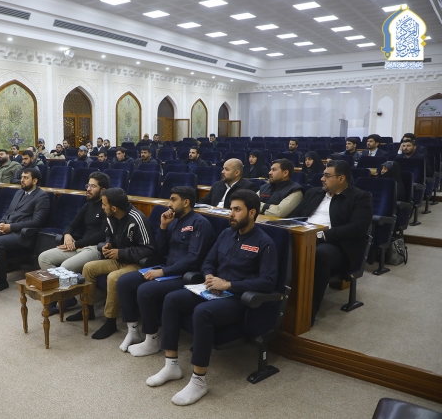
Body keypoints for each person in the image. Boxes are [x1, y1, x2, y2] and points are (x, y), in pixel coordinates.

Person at [145, 189, 277, 406]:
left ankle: (198, 381)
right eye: (231, 209)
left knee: (202, 312)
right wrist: (208, 275)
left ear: (252, 212)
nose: (231, 214)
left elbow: (268, 281)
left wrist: (229, 284)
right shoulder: (226, 234)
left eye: (237, 210)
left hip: (238, 298)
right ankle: (171, 365)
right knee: (172, 299)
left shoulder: (265, 243)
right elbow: (208, 261)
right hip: (213, 289)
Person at [117, 186, 215, 354]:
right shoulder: (174, 221)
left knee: (145, 290)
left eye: (173, 199)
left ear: (186, 202)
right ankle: (133, 331)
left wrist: (163, 272)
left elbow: (194, 258)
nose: (169, 204)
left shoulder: (200, 223)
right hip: (167, 268)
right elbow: (160, 252)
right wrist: (163, 227)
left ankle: (151, 340)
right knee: (124, 281)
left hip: (185, 275)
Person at [288, 160, 372, 325]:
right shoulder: (314, 193)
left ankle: (306, 313)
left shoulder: (359, 197)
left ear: (341, 178)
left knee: (319, 255)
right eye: (323, 175)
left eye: (327, 176)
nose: (322, 179)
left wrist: (320, 235)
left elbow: (357, 228)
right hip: (304, 235)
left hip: (338, 244)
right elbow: (296, 216)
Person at [67, 188, 156, 340]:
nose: (102, 207)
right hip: (118, 259)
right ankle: (88, 309)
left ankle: (110, 322)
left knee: (113, 278)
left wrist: (121, 253)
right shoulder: (110, 217)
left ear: (114, 208)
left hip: (136, 264)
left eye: (104, 204)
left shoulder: (138, 219)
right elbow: (109, 236)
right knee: (88, 267)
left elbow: (149, 249)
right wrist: (108, 245)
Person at [0, 168, 51, 293]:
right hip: (8, 229)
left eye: (26, 178)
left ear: (35, 181)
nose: (22, 180)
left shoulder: (42, 196)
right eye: (21, 177)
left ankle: (1, 281)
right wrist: (2, 223)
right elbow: (9, 212)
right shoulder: (19, 193)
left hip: (23, 234)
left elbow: (37, 221)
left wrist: (11, 227)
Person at [38, 172, 109, 314]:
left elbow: (101, 235)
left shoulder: (106, 207)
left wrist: (76, 244)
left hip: (95, 249)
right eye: (88, 185)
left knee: (65, 267)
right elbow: (71, 225)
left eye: (93, 186)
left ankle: (65, 295)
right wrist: (67, 235)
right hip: (79, 245)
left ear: (103, 190)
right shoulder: (88, 205)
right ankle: (70, 298)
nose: (88, 189)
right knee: (44, 258)